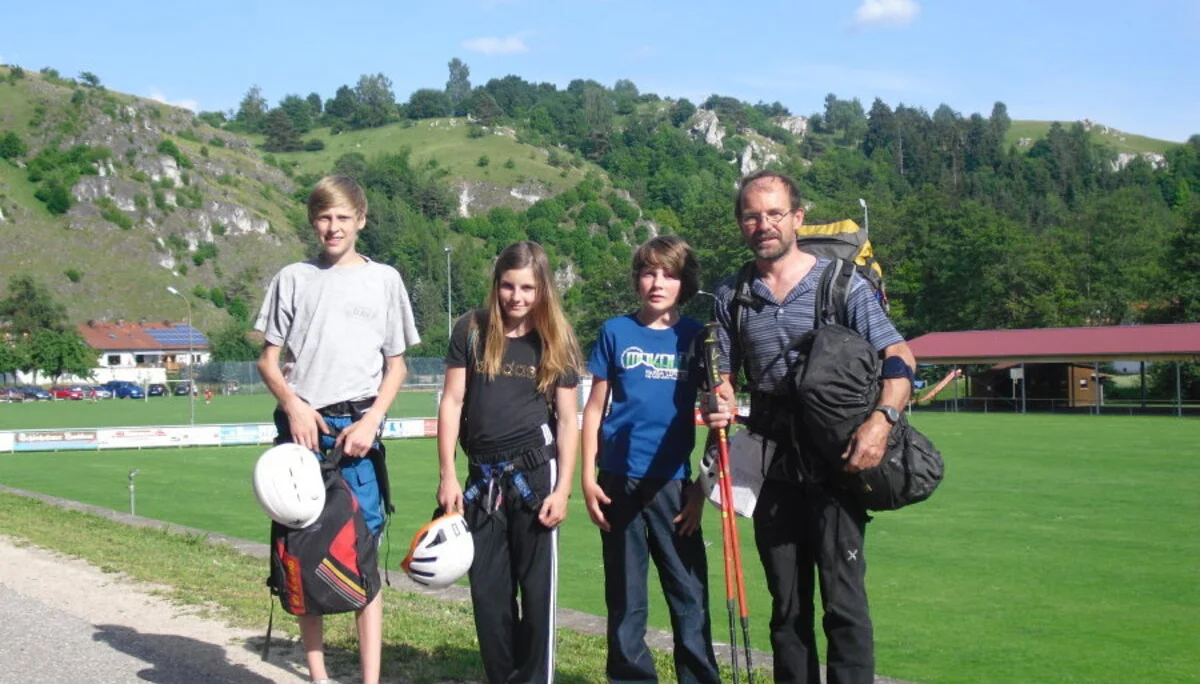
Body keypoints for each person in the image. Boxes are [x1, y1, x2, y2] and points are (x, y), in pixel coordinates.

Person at [701, 171, 916, 684]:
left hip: (838, 458)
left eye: (775, 214)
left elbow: (899, 355)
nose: (764, 225)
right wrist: (719, 395)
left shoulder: (841, 284)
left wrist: (882, 421)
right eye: (752, 216)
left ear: (797, 218)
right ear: (741, 224)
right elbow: (723, 374)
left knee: (844, 605)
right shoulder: (731, 294)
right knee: (787, 605)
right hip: (772, 461)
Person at [254, 174, 420, 684]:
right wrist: (293, 405)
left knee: (363, 557)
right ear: (313, 221)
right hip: (304, 432)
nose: (333, 227)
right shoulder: (292, 278)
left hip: (359, 434)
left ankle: (370, 679)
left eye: (343, 217)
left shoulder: (385, 280)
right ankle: (319, 676)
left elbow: (397, 365)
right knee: (305, 554)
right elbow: (268, 361)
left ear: (361, 220)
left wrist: (372, 420)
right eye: (324, 217)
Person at [436, 240, 581, 684]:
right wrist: (447, 474)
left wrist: (563, 490)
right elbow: (452, 401)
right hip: (481, 480)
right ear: (496, 284)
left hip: (535, 476)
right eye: (508, 286)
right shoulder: (471, 330)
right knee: (489, 597)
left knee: (537, 596)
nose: (516, 297)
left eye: (527, 288)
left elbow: (568, 421)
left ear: (542, 290)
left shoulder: (556, 338)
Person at [580, 236, 721, 684]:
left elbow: (717, 417)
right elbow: (594, 409)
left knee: (689, 595)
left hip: (674, 485)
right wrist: (587, 478)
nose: (658, 283)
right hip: (616, 479)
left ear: (685, 282)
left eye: (669, 274)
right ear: (637, 279)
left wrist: (701, 490)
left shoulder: (697, 337)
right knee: (625, 597)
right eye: (649, 272)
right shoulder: (615, 331)